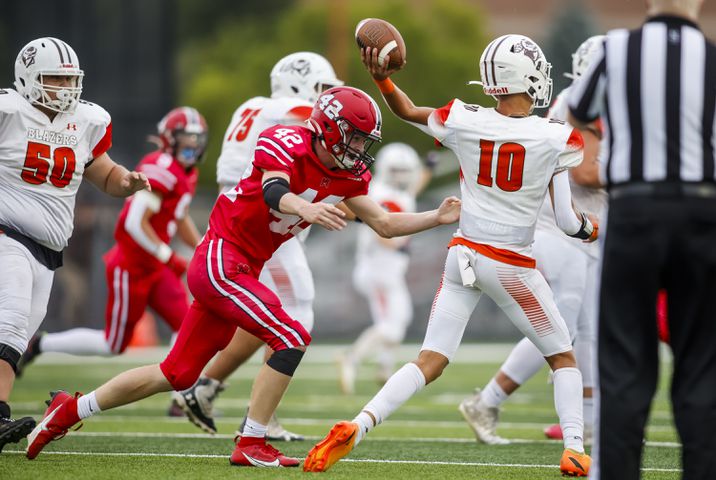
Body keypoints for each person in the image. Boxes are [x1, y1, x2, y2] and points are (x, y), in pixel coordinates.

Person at [25, 85, 461, 468]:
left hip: (239, 267)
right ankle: (252, 440)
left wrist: (435, 217)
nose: (360, 148)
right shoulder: (287, 140)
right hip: (221, 258)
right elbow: (274, 189)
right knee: (290, 335)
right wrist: (305, 208)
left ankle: (69, 410)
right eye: (356, 136)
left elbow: (383, 223)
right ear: (329, 127)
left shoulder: (348, 173)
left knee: (175, 374)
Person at [304, 35, 598, 477]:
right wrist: (593, 228)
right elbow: (569, 221)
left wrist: (382, 80)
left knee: (430, 359)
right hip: (512, 264)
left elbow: (405, 110)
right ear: (528, 77)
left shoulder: (464, 118)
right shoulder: (557, 138)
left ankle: (358, 424)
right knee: (562, 358)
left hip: (462, 257)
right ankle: (575, 448)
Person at [567, 1, 716, 478]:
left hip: (633, 210)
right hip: (702, 211)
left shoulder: (617, 51)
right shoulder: (712, 56)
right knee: (702, 369)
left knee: (624, 367)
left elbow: (578, 111)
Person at [171, 52, 343, 441]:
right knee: (298, 311)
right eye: (323, 90)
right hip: (261, 215)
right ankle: (260, 417)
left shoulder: (258, 108)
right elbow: (324, 119)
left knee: (273, 311)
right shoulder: (284, 109)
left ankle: (206, 385)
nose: (327, 99)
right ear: (300, 84)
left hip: (260, 214)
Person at [0, 37, 150, 452]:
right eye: (54, 78)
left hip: (46, 249)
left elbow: (104, 174)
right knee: (8, 326)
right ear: (28, 78)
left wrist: (126, 182)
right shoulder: (9, 112)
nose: (65, 87)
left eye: (70, 78)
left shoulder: (85, 120)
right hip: (5, 232)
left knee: (20, 337)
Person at [458, 35, 606, 445]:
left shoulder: (578, 100)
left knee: (587, 328)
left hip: (579, 230)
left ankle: (591, 420)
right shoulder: (584, 103)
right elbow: (586, 173)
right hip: (564, 229)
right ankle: (487, 400)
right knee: (563, 327)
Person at [16, 107, 207, 365]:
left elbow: (180, 215)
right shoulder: (161, 167)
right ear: (170, 138)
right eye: (187, 137)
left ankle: (181, 400)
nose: (193, 145)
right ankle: (40, 344)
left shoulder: (187, 172)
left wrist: (201, 247)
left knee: (187, 327)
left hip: (156, 267)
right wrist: (169, 255)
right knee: (113, 344)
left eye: (198, 139)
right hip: (132, 266)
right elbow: (134, 224)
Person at [338, 142, 435, 394]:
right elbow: (383, 233)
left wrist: (428, 168)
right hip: (379, 268)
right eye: (397, 171)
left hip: (387, 269)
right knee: (391, 326)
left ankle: (384, 368)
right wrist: (403, 245)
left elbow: (412, 190)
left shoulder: (396, 192)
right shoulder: (383, 195)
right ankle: (352, 357)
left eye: (406, 170)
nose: (403, 176)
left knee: (397, 319)